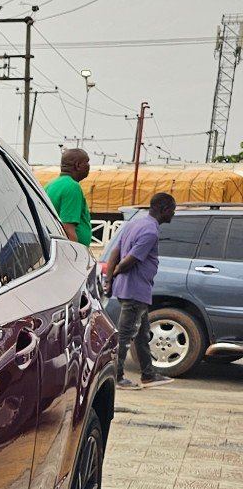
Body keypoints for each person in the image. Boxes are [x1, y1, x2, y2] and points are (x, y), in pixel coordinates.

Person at [107, 192, 176, 388]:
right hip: (134, 290)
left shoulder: (136, 223)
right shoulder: (150, 232)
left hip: (132, 290)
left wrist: (109, 277)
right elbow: (130, 259)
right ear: (163, 209)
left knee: (142, 333)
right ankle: (117, 377)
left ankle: (148, 374)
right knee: (126, 335)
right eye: (172, 209)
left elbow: (115, 251)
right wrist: (115, 273)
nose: (173, 214)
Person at [44, 148, 92, 247]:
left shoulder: (51, 185)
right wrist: (74, 254)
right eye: (87, 163)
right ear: (78, 165)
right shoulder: (72, 187)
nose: (88, 166)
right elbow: (68, 228)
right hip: (69, 251)